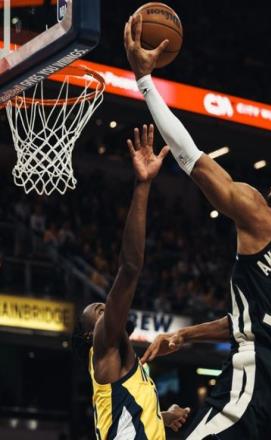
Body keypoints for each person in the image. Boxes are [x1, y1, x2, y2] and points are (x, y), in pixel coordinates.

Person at [124, 15, 271, 440]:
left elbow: (191, 157)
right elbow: (255, 320)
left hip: (254, 374)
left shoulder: (262, 215)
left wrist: (145, 80)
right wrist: (185, 336)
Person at [71, 125, 190, 439]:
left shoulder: (127, 369)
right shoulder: (104, 346)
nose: (105, 308)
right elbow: (130, 268)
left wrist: (162, 417)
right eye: (98, 311)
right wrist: (143, 185)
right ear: (90, 335)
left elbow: (128, 417)